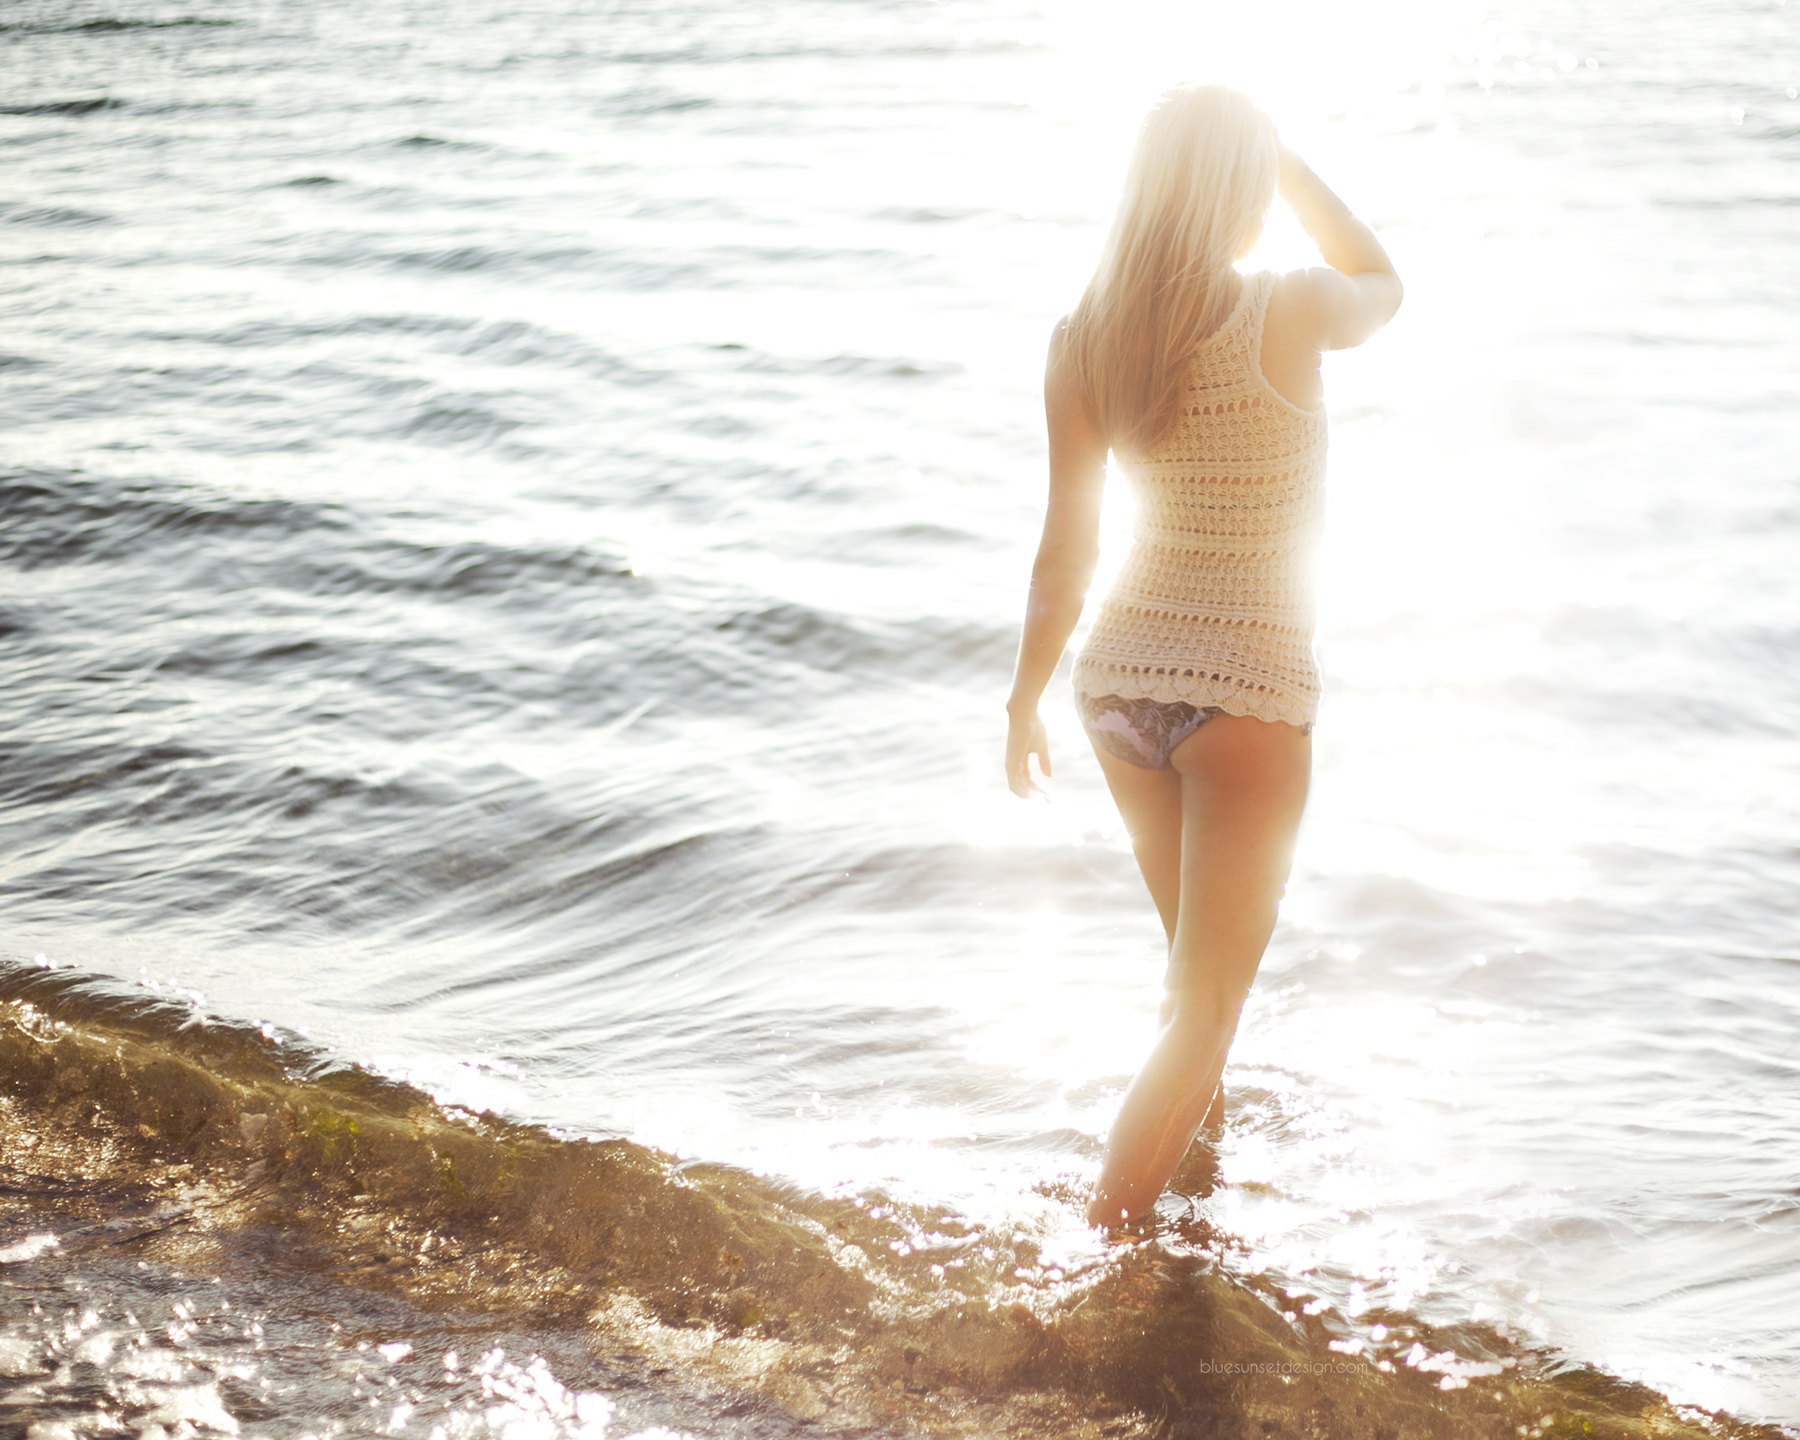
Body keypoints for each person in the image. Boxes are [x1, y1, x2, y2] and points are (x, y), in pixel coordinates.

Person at [1003, 83, 1402, 1229]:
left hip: (1119, 687)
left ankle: (1193, 1215)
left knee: (1191, 988)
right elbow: (1387, 284)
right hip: (1246, 694)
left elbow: (1064, 552)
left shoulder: (1084, 341)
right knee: (1209, 1009)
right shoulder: (1285, 308)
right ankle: (1102, 1248)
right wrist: (1289, 167)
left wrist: (1026, 699)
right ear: (1240, 190)